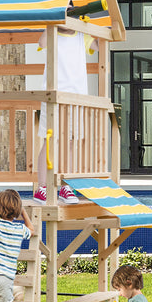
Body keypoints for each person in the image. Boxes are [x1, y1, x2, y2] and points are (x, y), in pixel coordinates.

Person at [33, 26, 99, 204]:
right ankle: (42, 187)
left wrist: (93, 26)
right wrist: (52, 23)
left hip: (76, 97)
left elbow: (98, 44)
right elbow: (42, 42)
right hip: (53, 95)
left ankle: (65, 186)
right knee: (50, 139)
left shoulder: (81, 35)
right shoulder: (52, 32)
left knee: (70, 142)